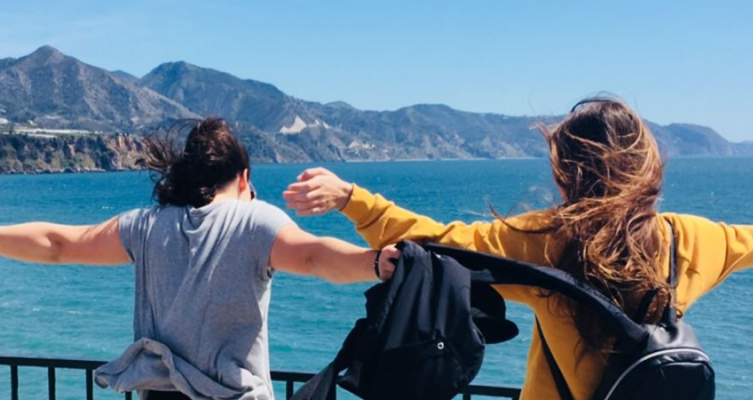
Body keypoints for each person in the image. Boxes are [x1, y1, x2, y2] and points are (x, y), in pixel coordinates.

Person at [283, 98, 753, 399]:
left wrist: (352, 200)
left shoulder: (547, 240)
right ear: (648, 165)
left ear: (563, 170)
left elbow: (439, 246)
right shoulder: (687, 238)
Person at [0, 117, 397, 400]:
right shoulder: (256, 222)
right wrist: (376, 263)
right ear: (245, 177)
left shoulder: (147, 226)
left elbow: (57, 243)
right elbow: (314, 258)